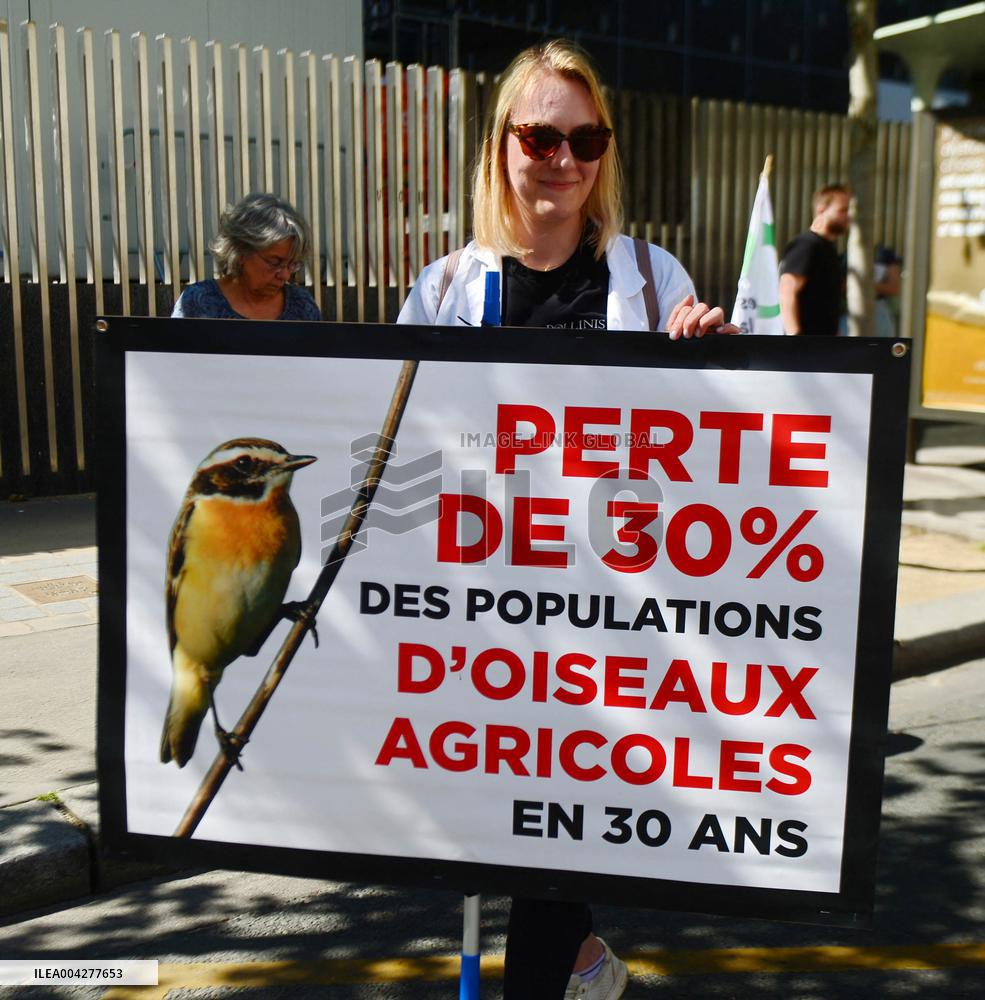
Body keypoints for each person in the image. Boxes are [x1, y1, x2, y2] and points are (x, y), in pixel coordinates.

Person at [397, 38, 736, 1000]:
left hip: (607, 617)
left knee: (553, 835)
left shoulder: (649, 275)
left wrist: (712, 359)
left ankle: (558, 971)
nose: (563, 160)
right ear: (502, 143)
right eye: (540, 134)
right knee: (511, 815)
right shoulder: (445, 289)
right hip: (488, 614)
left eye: (585, 139)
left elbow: (718, 453)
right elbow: (400, 446)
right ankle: (585, 961)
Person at [172, 192, 321, 321]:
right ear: (241, 252)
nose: (285, 275)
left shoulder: (302, 307)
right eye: (275, 262)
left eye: (292, 264)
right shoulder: (197, 302)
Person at [778, 184, 850, 336]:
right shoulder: (806, 244)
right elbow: (787, 291)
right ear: (821, 209)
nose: (848, 216)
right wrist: (795, 337)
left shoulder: (828, 249)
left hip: (824, 345)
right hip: (806, 347)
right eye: (842, 210)